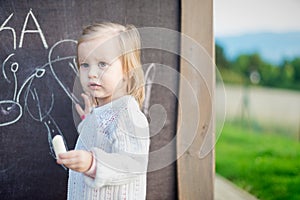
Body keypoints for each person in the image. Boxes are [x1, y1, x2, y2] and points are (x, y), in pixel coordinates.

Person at [56, 22, 150, 200]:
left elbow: (133, 163)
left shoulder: (126, 113)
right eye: (84, 64)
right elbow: (103, 137)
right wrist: (88, 122)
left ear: (127, 70)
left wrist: (93, 163)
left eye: (102, 64)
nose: (91, 73)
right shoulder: (105, 110)